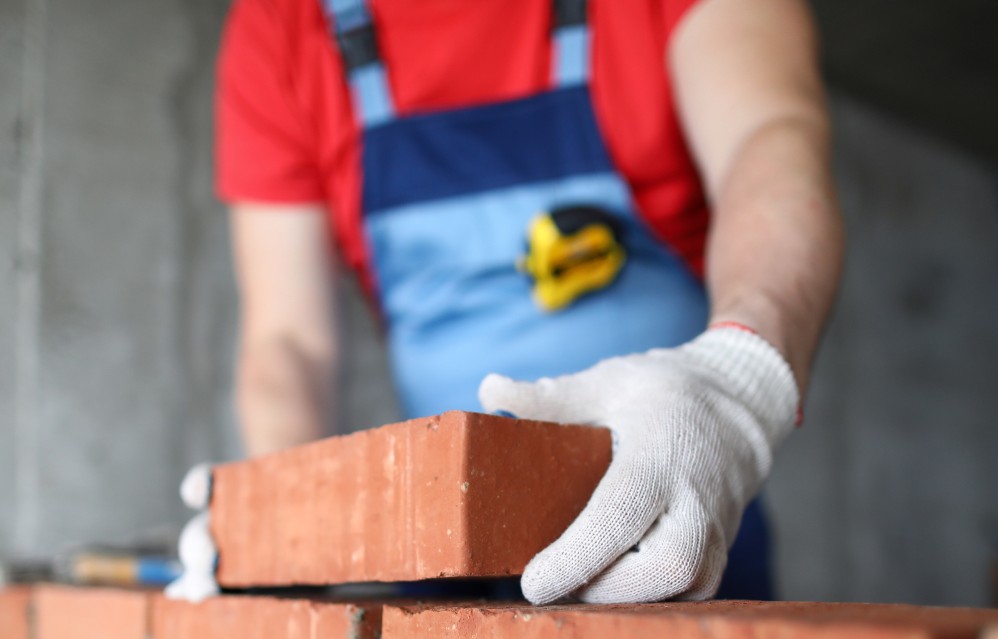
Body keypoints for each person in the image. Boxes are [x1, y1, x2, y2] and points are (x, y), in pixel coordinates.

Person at [167, 0, 843, 605]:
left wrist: (740, 374)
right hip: (437, 562)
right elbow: (291, 342)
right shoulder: (283, 22)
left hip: (678, 508)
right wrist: (287, 517)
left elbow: (771, 136)